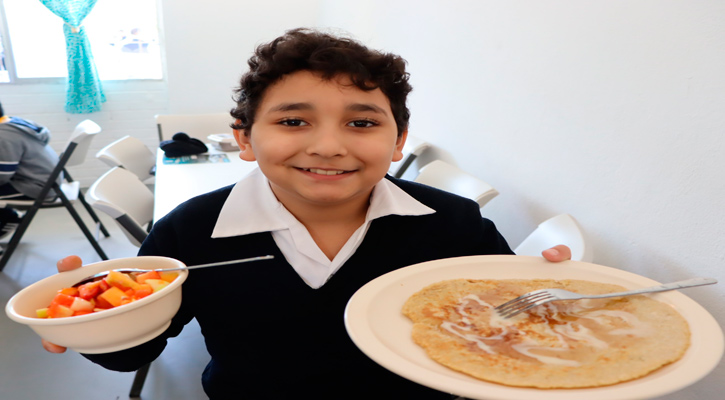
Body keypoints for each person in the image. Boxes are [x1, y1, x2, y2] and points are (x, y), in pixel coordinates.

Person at [43, 28, 571, 399]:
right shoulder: (190, 229)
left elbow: (511, 323)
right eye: (293, 121)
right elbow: (133, 352)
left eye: (361, 124)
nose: (327, 146)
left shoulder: (454, 222)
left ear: (398, 142)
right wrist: (95, 325)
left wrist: (552, 297)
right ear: (245, 139)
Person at [0, 102, 62, 237]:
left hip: (36, 187)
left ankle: (9, 217)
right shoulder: (14, 122)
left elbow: (3, 175)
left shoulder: (3, 136)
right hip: (48, 180)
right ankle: (10, 217)